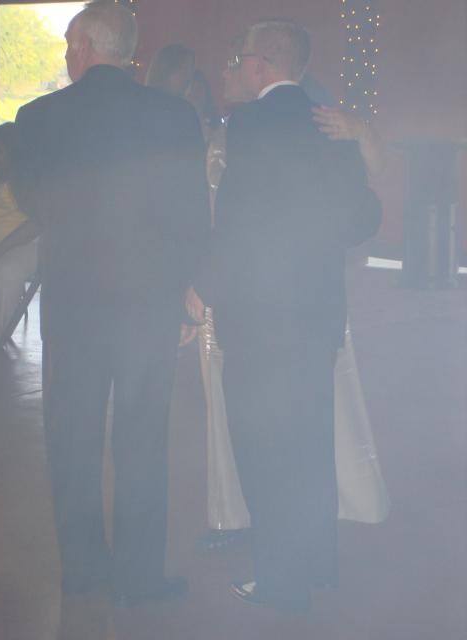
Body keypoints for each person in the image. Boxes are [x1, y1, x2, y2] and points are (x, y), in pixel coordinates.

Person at [11, 1, 210, 606]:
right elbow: (192, 212)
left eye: (69, 43)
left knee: (72, 441)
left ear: (85, 48)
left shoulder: (39, 116)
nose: (67, 53)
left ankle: (84, 572)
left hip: (74, 304)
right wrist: (189, 293)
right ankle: (140, 579)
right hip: (150, 303)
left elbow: (30, 199)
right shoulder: (173, 115)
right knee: (143, 441)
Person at [194, 20, 381, 611]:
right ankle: (317, 562)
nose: (231, 70)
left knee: (264, 451)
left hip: (262, 318)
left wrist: (203, 288)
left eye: (237, 60)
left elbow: (237, 222)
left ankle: (281, 582)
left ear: (261, 65)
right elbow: (363, 221)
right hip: (316, 314)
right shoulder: (333, 124)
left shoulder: (249, 124)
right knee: (308, 443)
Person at [0, 123, 39, 348]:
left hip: (24, 244)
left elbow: (37, 223)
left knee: (7, 270)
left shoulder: (30, 180)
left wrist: (0, 249)